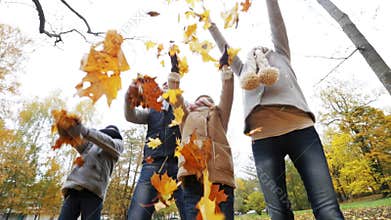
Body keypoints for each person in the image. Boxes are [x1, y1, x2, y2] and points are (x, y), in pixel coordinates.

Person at [207, 0, 345, 219]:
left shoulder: (280, 54)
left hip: (301, 131)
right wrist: (210, 25)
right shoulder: (244, 70)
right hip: (263, 140)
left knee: (325, 204)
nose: (256, 51)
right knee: (278, 211)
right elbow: (226, 51)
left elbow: (277, 24)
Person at [168, 48, 235, 220]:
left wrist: (225, 69)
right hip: (191, 176)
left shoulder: (219, 114)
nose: (205, 101)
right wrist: (174, 73)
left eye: (208, 99)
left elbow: (227, 93)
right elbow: (175, 97)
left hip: (219, 176)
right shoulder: (186, 115)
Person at [124, 78, 185, 220]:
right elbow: (131, 115)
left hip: (180, 166)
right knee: (137, 215)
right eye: (164, 85)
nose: (166, 87)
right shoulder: (152, 110)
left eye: (169, 85)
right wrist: (128, 98)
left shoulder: (183, 108)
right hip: (152, 165)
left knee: (191, 212)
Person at [58, 124, 124, 220]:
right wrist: (66, 129)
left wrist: (86, 131)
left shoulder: (117, 145)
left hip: (94, 193)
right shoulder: (90, 144)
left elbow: (107, 142)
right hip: (74, 188)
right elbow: (75, 140)